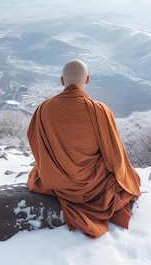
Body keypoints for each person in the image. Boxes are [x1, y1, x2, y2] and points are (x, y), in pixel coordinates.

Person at [27, 59, 141, 239]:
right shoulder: (101, 111)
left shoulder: (44, 109)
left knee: (35, 174)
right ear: (87, 80)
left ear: (62, 81)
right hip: (95, 184)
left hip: (56, 180)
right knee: (132, 177)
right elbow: (115, 158)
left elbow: (35, 143)